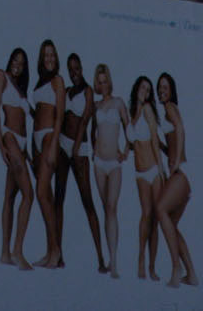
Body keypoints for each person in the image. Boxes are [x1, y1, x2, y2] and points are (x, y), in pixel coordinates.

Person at [53, 51, 107, 272]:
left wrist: (75, 148)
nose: (74, 73)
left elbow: (85, 121)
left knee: (88, 201)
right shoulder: (67, 91)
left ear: (81, 69)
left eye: (76, 69)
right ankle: (58, 254)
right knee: (58, 199)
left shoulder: (88, 91)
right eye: (70, 69)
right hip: (63, 144)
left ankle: (101, 259)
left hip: (79, 148)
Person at [154, 71, 199, 289]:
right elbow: (172, 140)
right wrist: (161, 147)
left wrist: (176, 161)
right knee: (170, 224)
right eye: (159, 87)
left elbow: (180, 129)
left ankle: (176, 268)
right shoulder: (166, 111)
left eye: (165, 87)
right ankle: (191, 274)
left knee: (160, 210)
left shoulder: (171, 108)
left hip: (181, 172)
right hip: (182, 172)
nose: (161, 90)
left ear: (171, 90)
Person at [0, 48, 34, 268]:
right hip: (10, 138)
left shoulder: (21, 89)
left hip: (23, 145)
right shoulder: (1, 76)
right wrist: (1, 146)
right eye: (15, 61)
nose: (18, 65)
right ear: (10, 61)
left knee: (9, 197)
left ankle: (5, 253)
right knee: (29, 194)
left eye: (22, 63)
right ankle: (18, 250)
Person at [90, 62, 129, 279]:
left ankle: (114, 261)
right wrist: (92, 148)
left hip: (114, 163)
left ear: (109, 82)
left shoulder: (119, 103)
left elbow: (129, 129)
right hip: (98, 163)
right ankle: (108, 255)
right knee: (106, 209)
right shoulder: (95, 106)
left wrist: (126, 151)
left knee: (112, 208)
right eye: (99, 82)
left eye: (105, 81)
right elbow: (91, 132)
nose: (103, 85)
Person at [30, 38, 66, 267]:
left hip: (49, 138)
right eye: (46, 55)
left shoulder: (58, 81)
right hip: (37, 139)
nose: (49, 59)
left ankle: (56, 251)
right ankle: (51, 251)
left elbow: (59, 115)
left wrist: (53, 145)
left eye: (52, 55)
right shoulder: (40, 83)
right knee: (47, 198)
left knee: (42, 193)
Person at [127, 74, 165, 282]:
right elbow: (130, 140)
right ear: (137, 89)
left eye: (149, 90)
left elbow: (154, 141)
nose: (146, 92)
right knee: (146, 214)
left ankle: (152, 266)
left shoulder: (148, 109)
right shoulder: (133, 111)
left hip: (153, 169)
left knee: (155, 218)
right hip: (140, 172)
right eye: (143, 88)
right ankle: (141, 258)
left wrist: (161, 169)